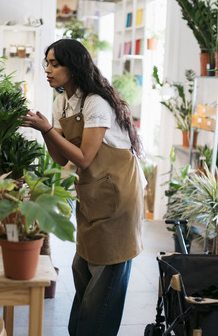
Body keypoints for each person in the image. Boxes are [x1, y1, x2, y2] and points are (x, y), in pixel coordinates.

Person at [21, 38, 144, 336]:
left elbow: (85, 158)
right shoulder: (61, 101)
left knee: (104, 283)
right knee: (84, 273)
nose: (48, 70)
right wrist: (46, 132)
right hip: (94, 195)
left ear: (73, 67)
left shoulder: (95, 102)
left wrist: (47, 129)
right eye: (47, 63)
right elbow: (62, 157)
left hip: (117, 196)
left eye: (55, 64)